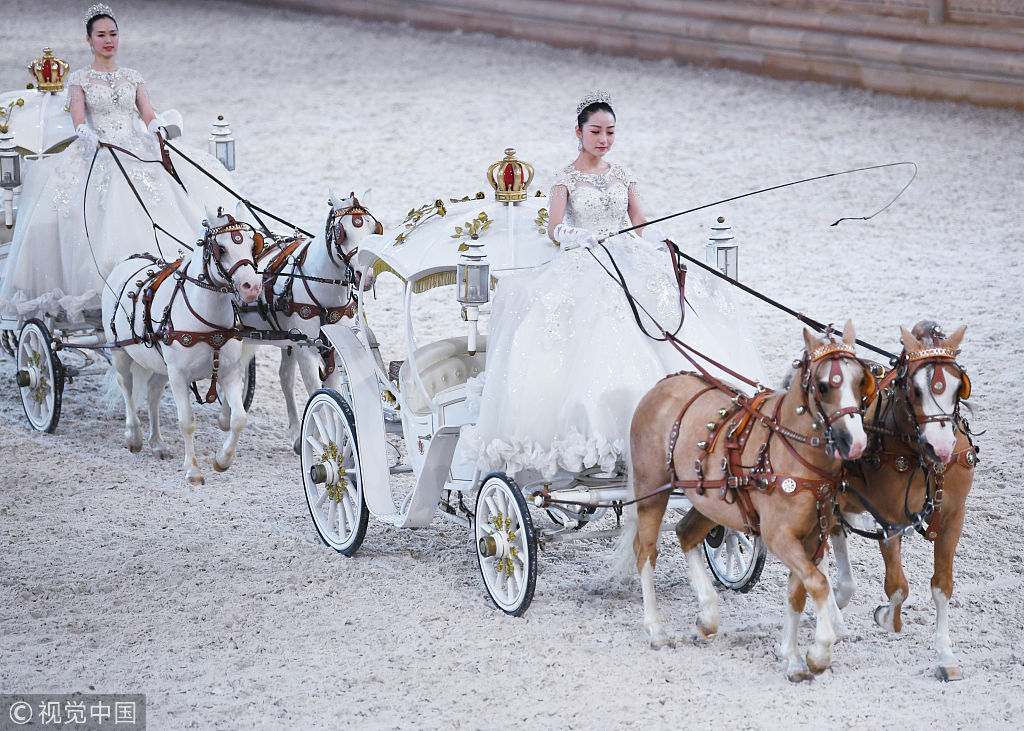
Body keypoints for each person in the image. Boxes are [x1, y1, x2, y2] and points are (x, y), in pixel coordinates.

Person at [464, 91, 766, 480]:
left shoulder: (623, 174)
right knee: (600, 315)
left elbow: (638, 219)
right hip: (584, 254)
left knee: (668, 300)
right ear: (579, 132)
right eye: (595, 131)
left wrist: (645, 236)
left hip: (626, 251)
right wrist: (576, 234)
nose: (603, 139)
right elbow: (555, 228)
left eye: (609, 132)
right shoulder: (566, 178)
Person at [0, 3, 236, 323]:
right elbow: (79, 120)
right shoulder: (80, 79)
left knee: (170, 194)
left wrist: (155, 128)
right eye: (101, 35)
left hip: (135, 146)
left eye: (113, 34)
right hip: (99, 150)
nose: (108, 40)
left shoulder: (132, 76)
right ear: (89, 40)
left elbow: (147, 113)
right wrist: (90, 137)